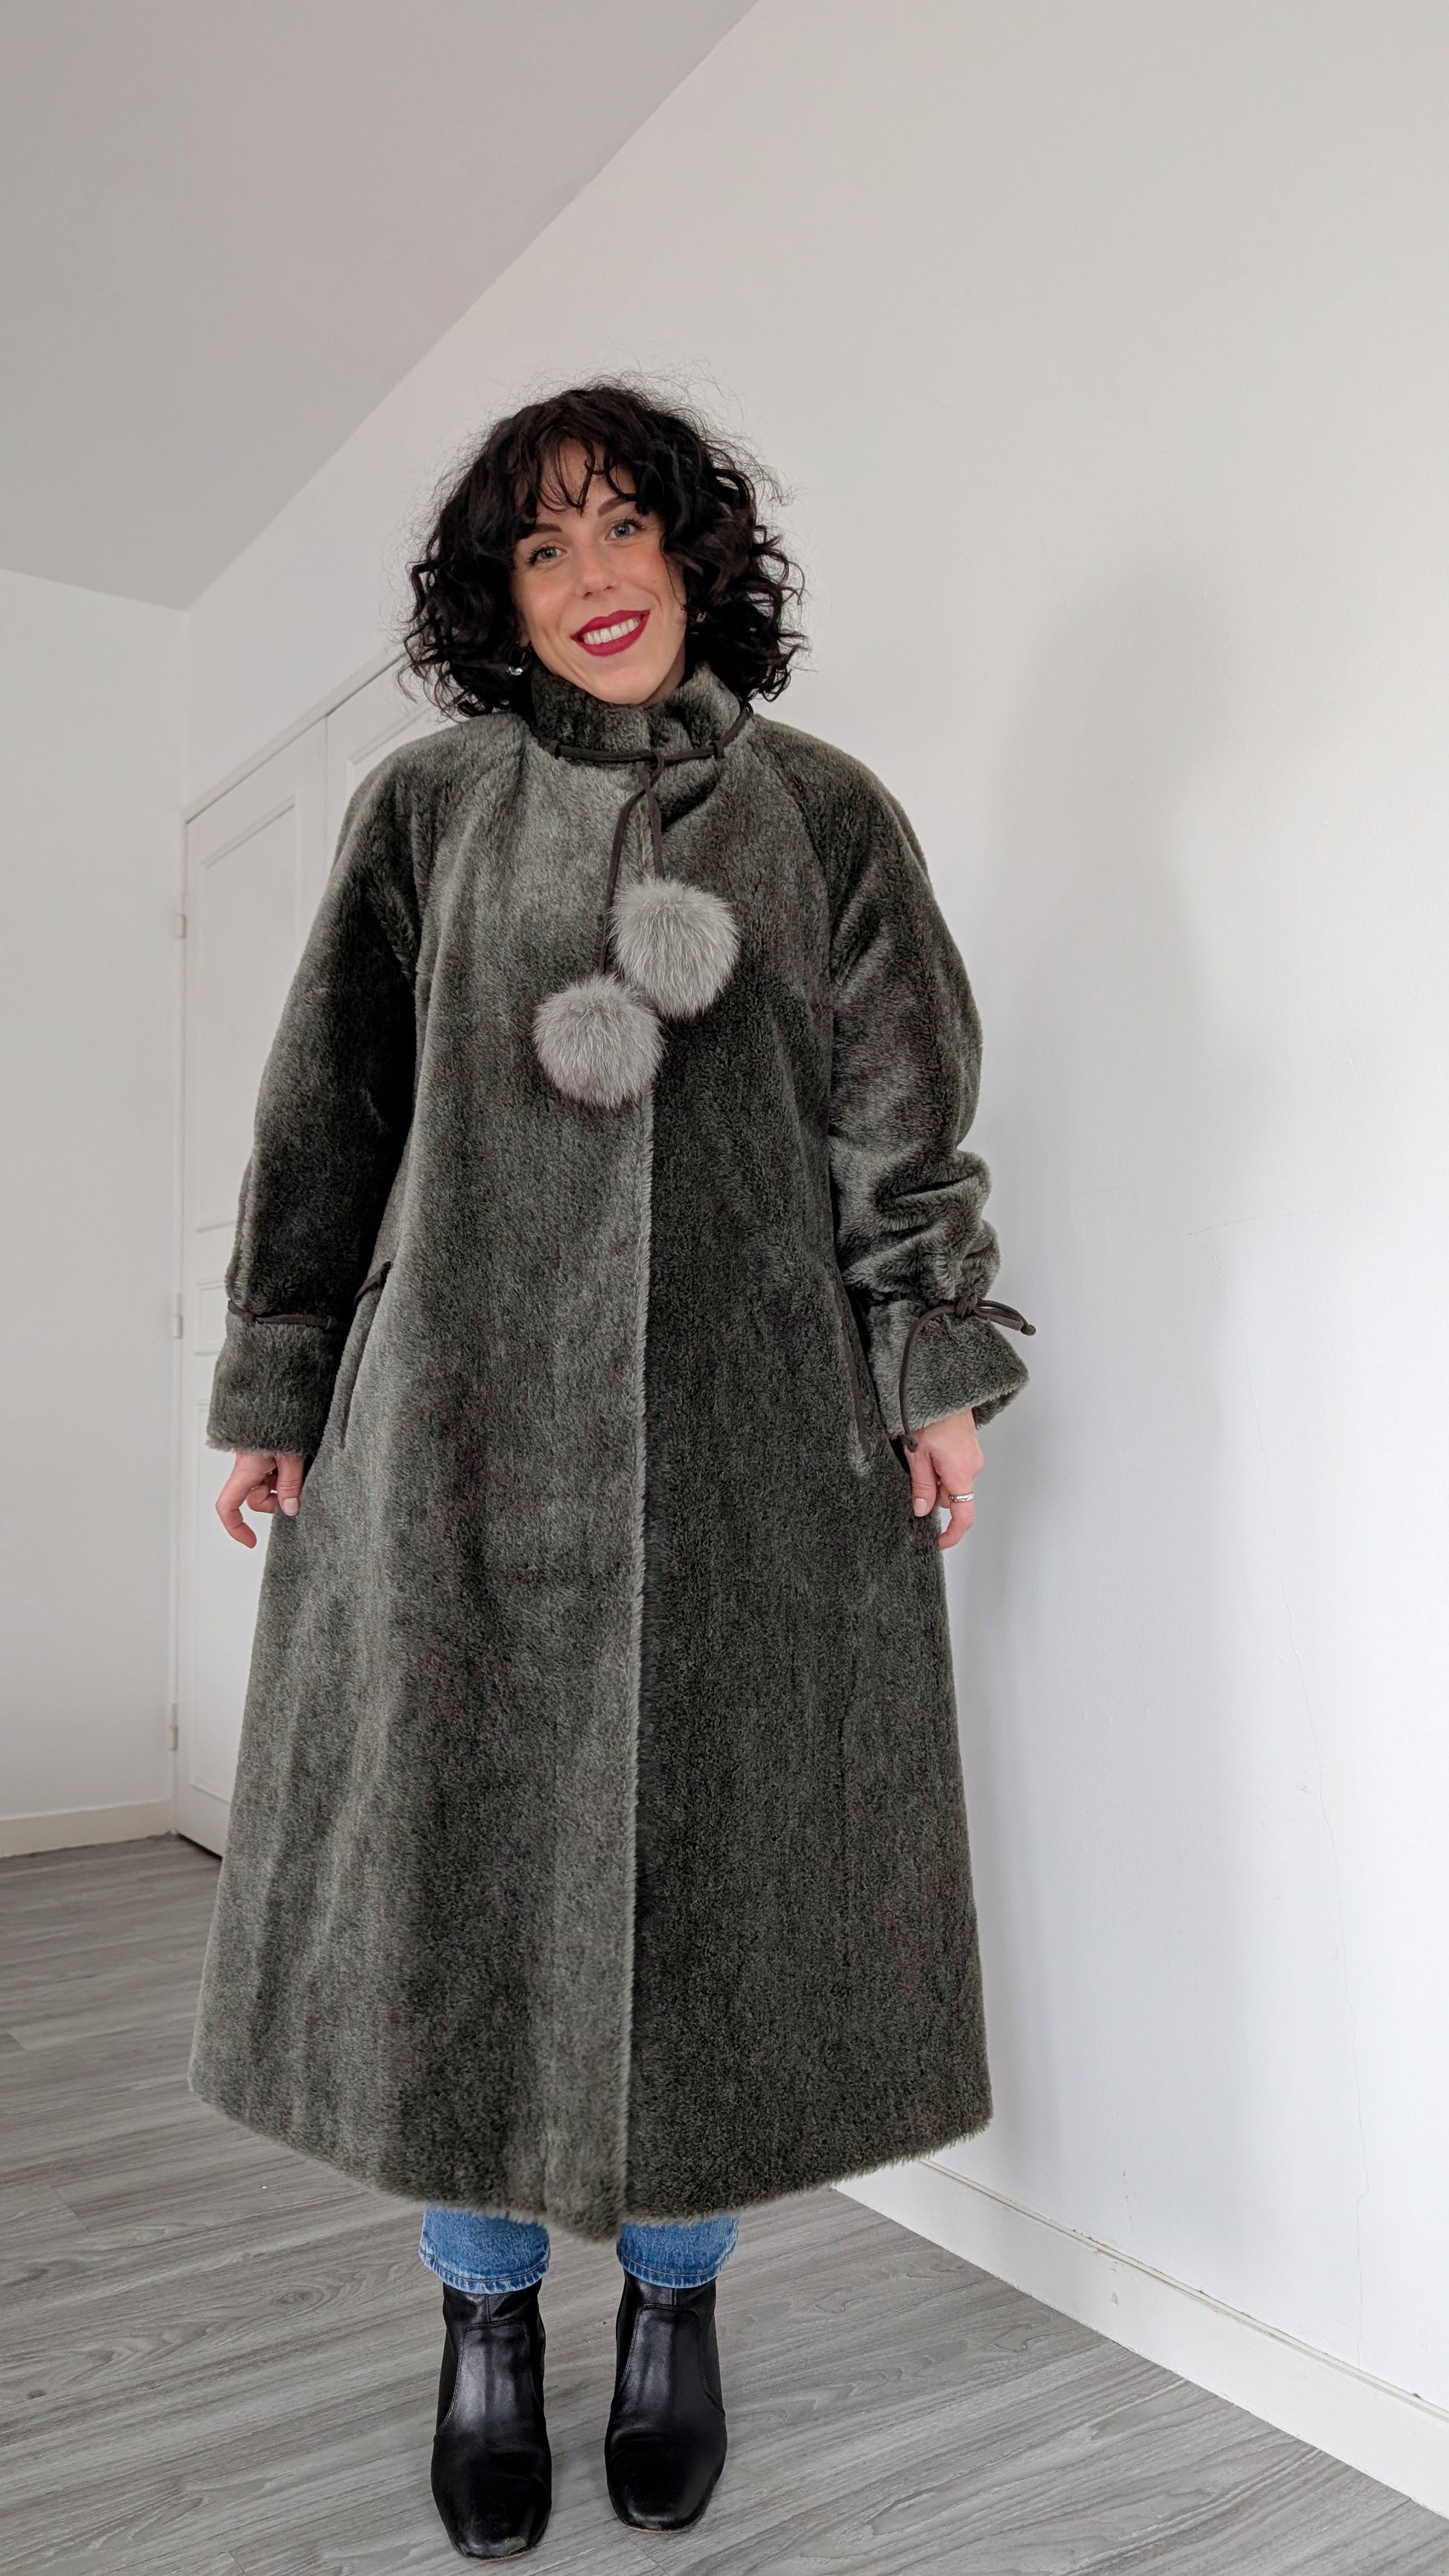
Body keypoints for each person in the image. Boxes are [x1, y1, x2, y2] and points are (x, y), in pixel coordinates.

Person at [194, 381, 1034, 2562]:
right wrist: (278, 1372)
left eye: (622, 526)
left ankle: (678, 2310)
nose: (589, 576)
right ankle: (482, 2322)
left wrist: (930, 1366)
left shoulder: (823, 815)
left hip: (750, 1451)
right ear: (499, 597)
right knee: (457, 1878)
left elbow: (896, 1113)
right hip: (458, 1436)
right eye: (540, 545)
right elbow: (327, 1108)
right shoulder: (425, 810)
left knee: (718, 1886)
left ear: (692, 551)